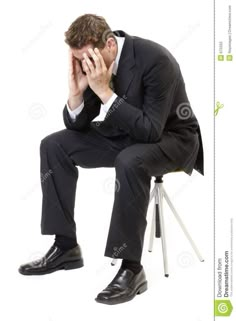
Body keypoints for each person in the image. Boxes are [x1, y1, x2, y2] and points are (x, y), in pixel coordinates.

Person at [18, 13, 204, 305]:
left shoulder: (156, 60)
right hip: (126, 134)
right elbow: (78, 125)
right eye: (78, 60)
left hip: (172, 138)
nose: (84, 65)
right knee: (53, 145)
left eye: (87, 59)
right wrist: (76, 93)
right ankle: (66, 246)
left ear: (109, 45)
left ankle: (131, 267)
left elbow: (151, 130)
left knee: (130, 160)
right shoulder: (94, 61)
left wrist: (104, 91)